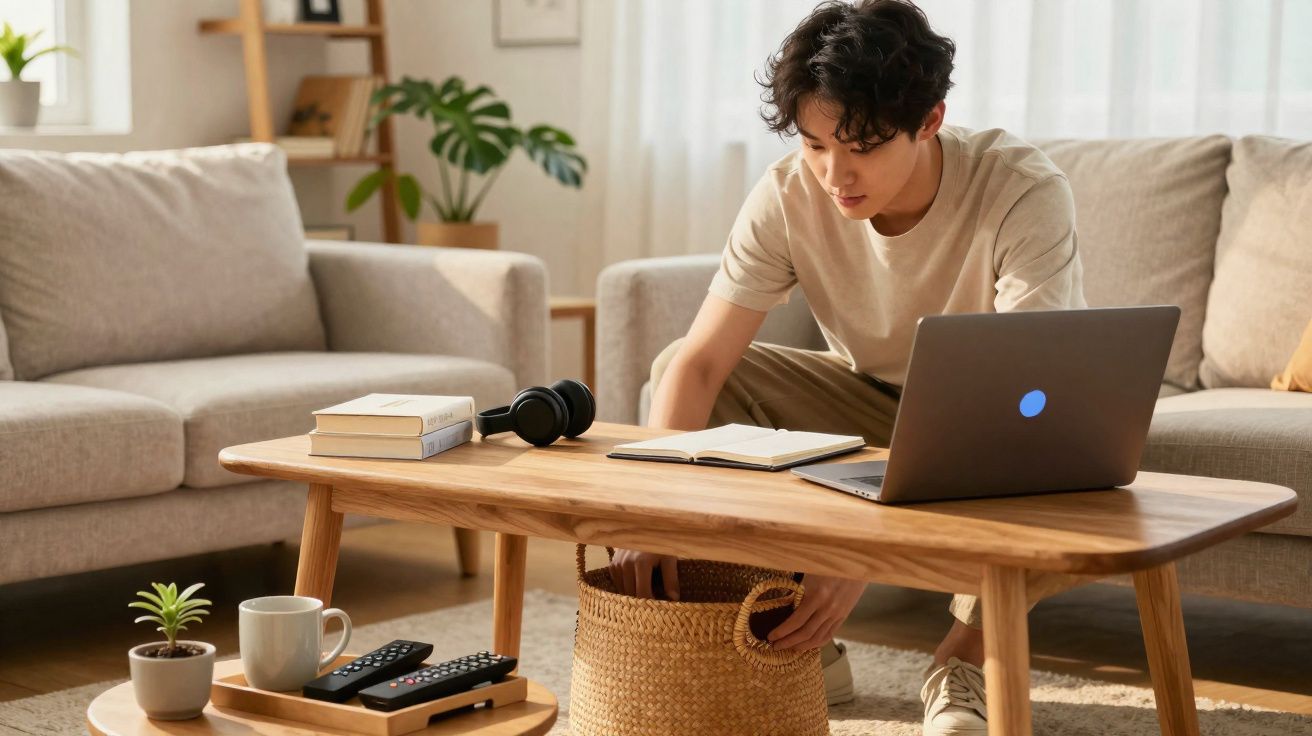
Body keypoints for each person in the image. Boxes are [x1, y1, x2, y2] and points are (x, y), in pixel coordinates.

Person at [607, 1, 1085, 733]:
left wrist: (866, 545)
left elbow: (1022, 394)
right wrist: (655, 514)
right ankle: (794, 633)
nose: (836, 173)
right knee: (681, 365)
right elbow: (700, 365)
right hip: (867, 398)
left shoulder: (1021, 189)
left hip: (996, 415)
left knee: (1059, 451)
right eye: (816, 144)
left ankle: (965, 661)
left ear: (929, 120)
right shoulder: (789, 194)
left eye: (860, 145)